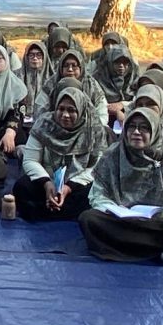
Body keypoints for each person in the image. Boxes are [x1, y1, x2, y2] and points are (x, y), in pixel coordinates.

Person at [79, 105, 163, 265]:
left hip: (156, 222)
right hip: (121, 220)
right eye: (131, 127)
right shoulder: (111, 155)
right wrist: (115, 210)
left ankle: (125, 250)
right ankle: (161, 253)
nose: (136, 132)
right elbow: (97, 195)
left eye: (144, 128)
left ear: (154, 131)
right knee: (89, 219)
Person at [16, 80, 103, 222]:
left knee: (93, 191)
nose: (65, 115)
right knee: (22, 186)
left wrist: (69, 187)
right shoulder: (44, 124)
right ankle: (59, 209)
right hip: (47, 181)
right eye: (61, 109)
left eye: (71, 110)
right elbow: (30, 160)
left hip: (77, 184)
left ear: (81, 110)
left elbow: (96, 167)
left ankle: (46, 210)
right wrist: (47, 183)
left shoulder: (93, 129)